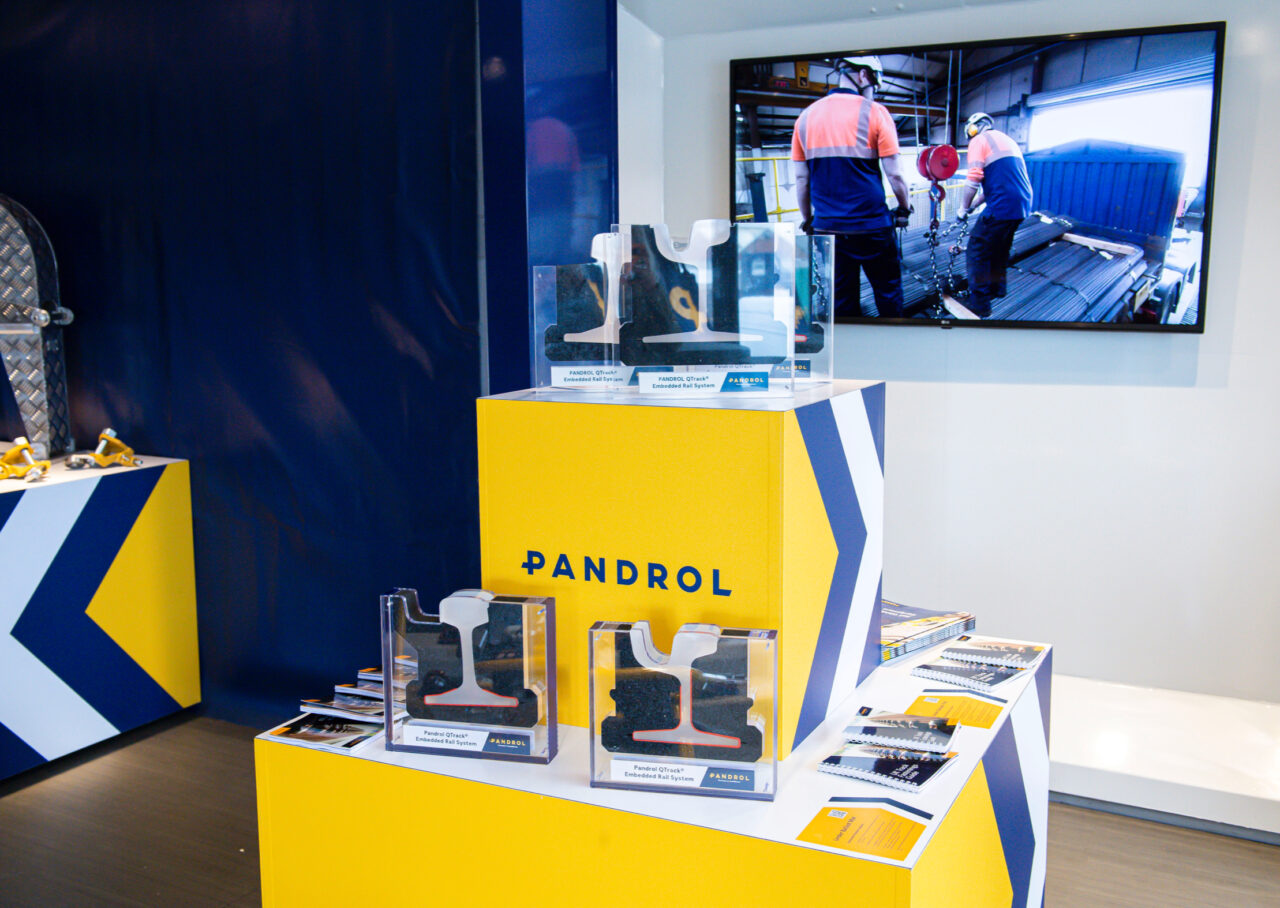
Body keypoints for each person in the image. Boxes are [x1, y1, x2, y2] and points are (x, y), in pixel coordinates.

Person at [791, 56, 912, 318]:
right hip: (873, 228)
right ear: (863, 76)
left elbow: (802, 180)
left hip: (827, 228)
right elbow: (896, 175)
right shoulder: (875, 112)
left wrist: (808, 219)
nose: (872, 92)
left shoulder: (805, 117)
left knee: (842, 301)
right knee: (888, 292)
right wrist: (904, 207)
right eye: (873, 84)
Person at [956, 112, 1034, 317]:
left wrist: (963, 209)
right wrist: (973, 207)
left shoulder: (978, 141)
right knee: (1000, 246)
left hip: (1002, 204)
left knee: (977, 249)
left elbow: (973, 179)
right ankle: (997, 288)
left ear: (974, 128)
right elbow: (990, 188)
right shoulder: (1007, 140)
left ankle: (979, 303)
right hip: (1021, 204)